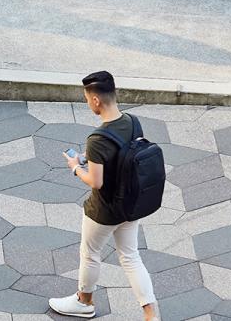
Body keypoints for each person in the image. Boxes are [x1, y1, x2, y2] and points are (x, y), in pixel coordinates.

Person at [50, 71, 158, 320]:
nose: (88, 103)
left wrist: (76, 167)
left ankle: (84, 302)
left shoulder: (97, 138)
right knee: (131, 257)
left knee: (90, 253)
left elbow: (95, 181)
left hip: (104, 210)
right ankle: (151, 314)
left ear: (96, 100)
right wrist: (88, 157)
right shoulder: (132, 121)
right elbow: (124, 152)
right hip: (131, 204)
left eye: (87, 99)